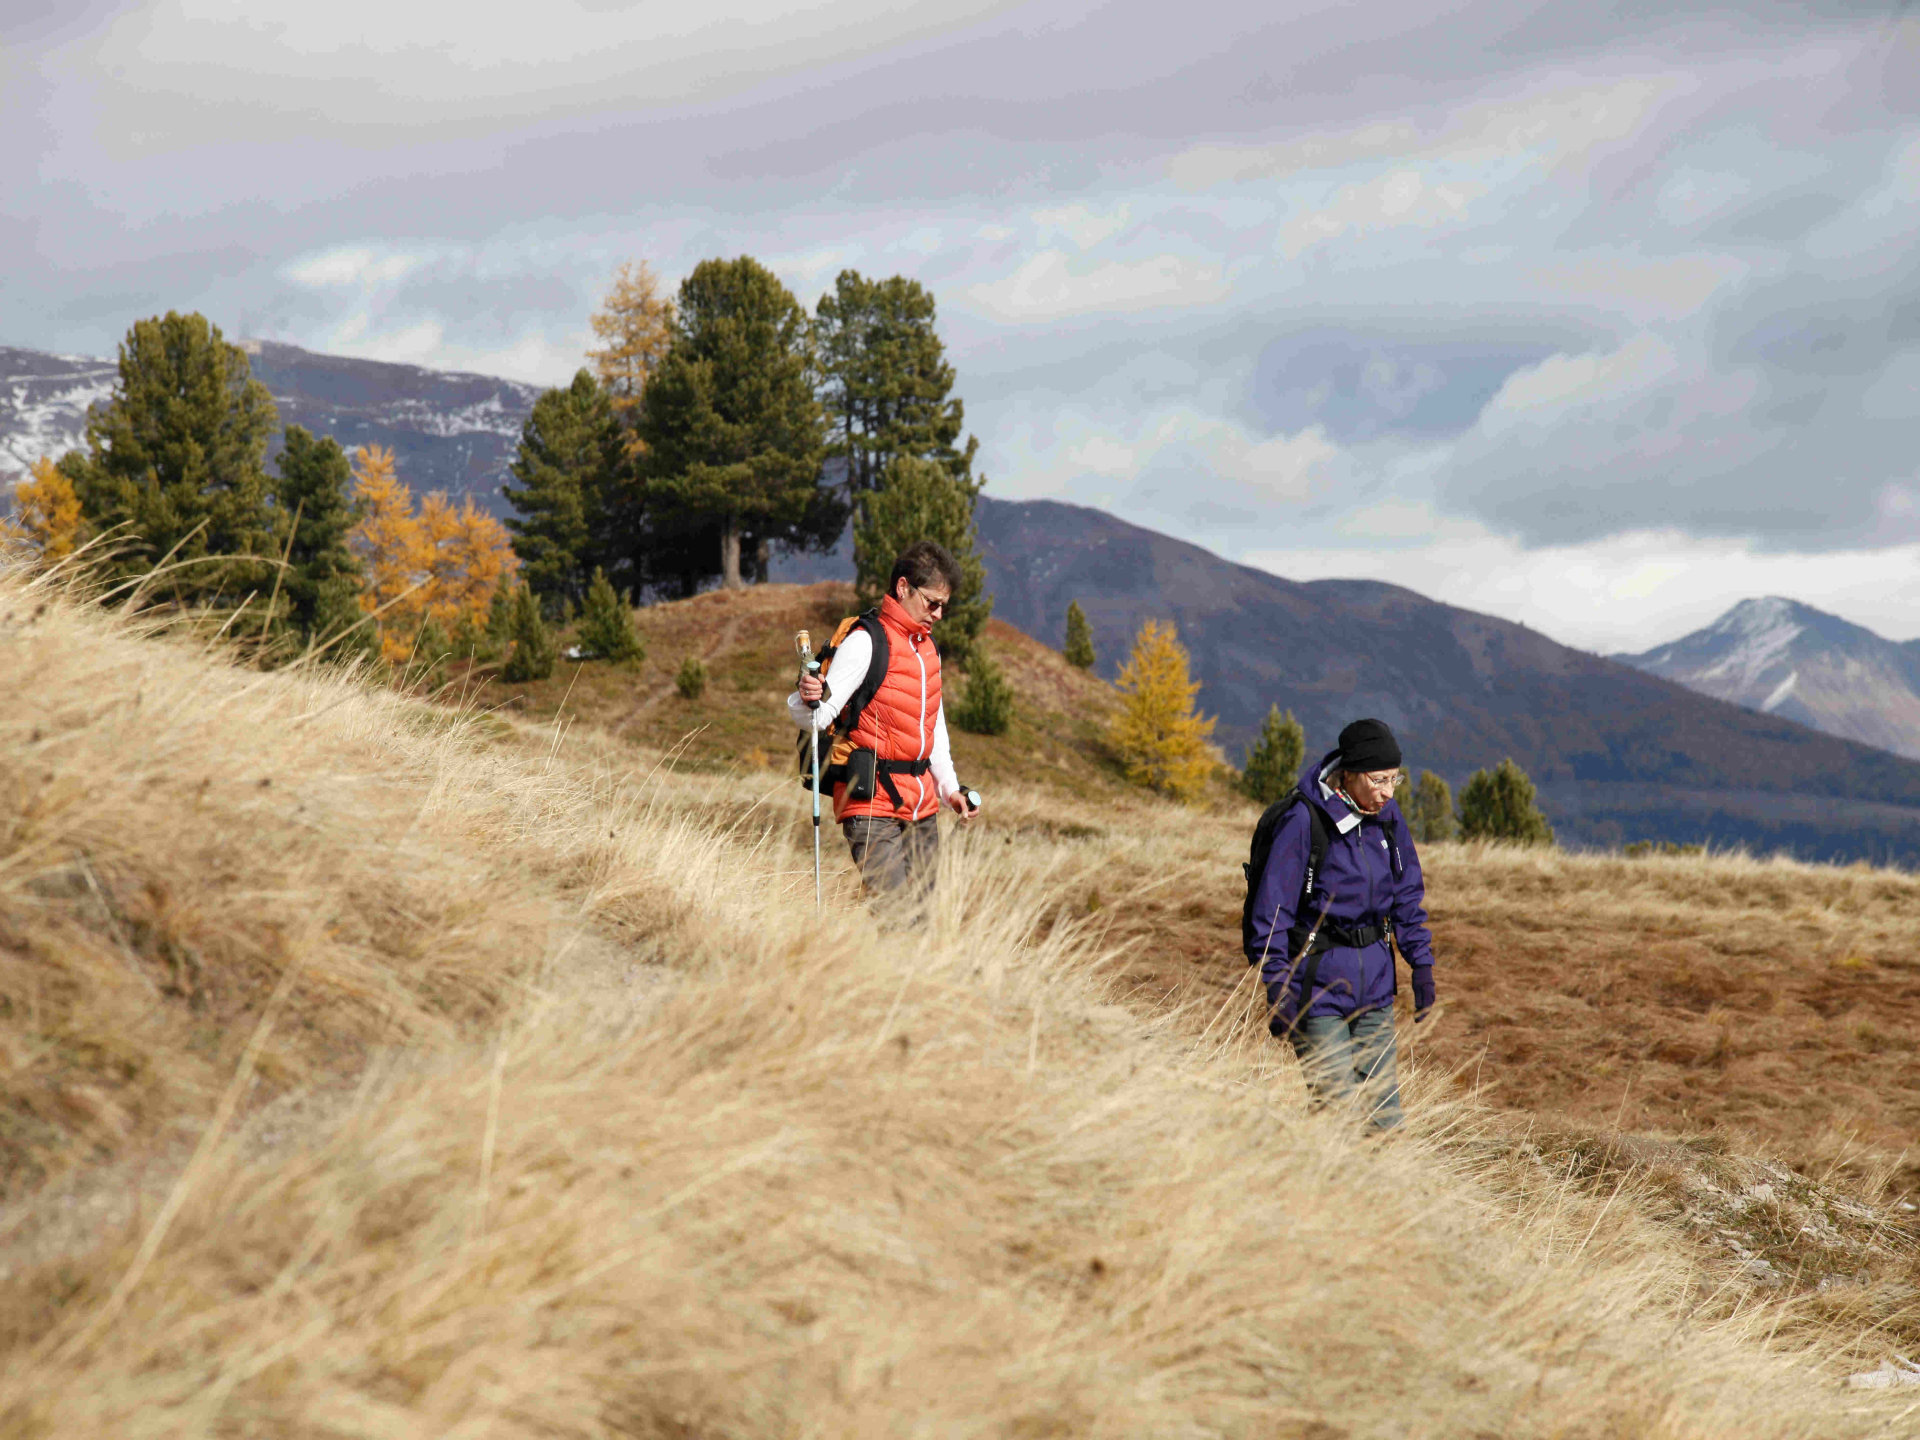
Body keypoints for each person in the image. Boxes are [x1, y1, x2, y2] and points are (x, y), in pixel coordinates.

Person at [1244, 717, 1435, 1131]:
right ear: (1349, 773)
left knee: (1384, 1120)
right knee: (1339, 1115)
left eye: (1395, 780)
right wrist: (1278, 987)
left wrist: (1421, 964)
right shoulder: (1304, 819)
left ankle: (1381, 1195)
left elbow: (1406, 894)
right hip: (1316, 991)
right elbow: (1272, 912)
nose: (1387, 791)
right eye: (1379, 779)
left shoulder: (1387, 816)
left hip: (1376, 989)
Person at [789, 540, 977, 905]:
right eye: (932, 603)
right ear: (903, 587)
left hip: (922, 808)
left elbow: (931, 727)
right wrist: (805, 696)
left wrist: (950, 789)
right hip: (871, 805)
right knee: (896, 916)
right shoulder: (865, 642)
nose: (938, 614)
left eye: (944, 607)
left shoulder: (927, 649)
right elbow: (818, 715)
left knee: (920, 923)